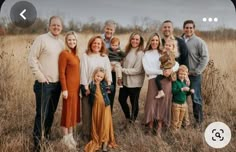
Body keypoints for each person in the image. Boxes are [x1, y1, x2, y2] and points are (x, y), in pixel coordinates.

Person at [28, 16, 64, 151]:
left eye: (58, 26)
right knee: (41, 114)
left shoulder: (61, 43)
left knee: (51, 113)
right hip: (44, 84)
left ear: (61, 27)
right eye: (53, 25)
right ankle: (37, 145)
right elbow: (32, 59)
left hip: (57, 85)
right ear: (49, 26)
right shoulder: (41, 39)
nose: (56, 27)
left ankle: (46, 138)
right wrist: (41, 77)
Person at [142, 33, 179, 136]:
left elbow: (176, 64)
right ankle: (149, 125)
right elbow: (148, 70)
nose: (154, 42)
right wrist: (161, 72)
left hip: (166, 80)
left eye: (156, 40)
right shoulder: (146, 54)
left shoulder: (163, 52)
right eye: (152, 40)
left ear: (159, 42)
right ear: (150, 41)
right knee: (151, 103)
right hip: (153, 79)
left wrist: (171, 69)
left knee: (163, 103)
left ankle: (159, 126)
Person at [80, 35, 112, 142]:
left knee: (98, 112)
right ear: (90, 44)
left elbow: (108, 72)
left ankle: (98, 133)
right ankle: (86, 134)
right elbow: (83, 72)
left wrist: (108, 84)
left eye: (98, 43)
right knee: (87, 110)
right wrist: (85, 87)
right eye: (94, 43)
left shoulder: (104, 57)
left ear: (102, 45)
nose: (96, 45)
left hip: (101, 88)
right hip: (89, 86)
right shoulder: (85, 56)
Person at [161, 20, 191, 127]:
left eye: (169, 27)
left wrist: (185, 76)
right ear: (162, 29)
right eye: (165, 27)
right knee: (167, 100)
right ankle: (167, 121)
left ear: (172, 29)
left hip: (178, 76)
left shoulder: (180, 41)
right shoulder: (160, 41)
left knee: (179, 99)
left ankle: (182, 123)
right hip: (164, 76)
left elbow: (185, 60)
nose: (167, 29)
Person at [182, 20, 209, 127]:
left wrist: (197, 71)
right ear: (183, 28)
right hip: (181, 76)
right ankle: (182, 122)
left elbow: (205, 57)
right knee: (180, 98)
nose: (188, 30)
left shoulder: (199, 42)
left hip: (194, 75)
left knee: (195, 98)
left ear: (194, 29)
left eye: (190, 28)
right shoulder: (179, 40)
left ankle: (198, 123)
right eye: (186, 27)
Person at [84, 67, 117, 152]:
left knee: (105, 123)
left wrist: (109, 88)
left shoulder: (104, 84)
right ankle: (98, 138)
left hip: (105, 106)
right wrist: (86, 89)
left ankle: (105, 143)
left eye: (101, 77)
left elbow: (112, 87)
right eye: (97, 76)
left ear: (103, 78)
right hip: (96, 107)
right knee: (98, 122)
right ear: (94, 75)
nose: (99, 78)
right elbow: (85, 91)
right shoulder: (91, 84)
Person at [58, 31, 80, 149]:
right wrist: (64, 89)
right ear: (66, 41)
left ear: (77, 41)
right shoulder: (64, 54)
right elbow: (61, 73)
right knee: (67, 113)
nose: (72, 42)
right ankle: (65, 139)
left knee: (73, 114)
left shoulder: (75, 55)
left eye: (74, 40)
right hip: (68, 89)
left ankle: (71, 136)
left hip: (76, 90)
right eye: (69, 40)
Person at [118, 32, 145, 125]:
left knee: (134, 103)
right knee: (121, 99)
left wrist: (122, 70)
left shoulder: (140, 53)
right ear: (130, 40)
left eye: (137, 39)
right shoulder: (127, 50)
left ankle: (132, 121)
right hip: (125, 81)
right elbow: (122, 62)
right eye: (133, 39)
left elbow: (138, 70)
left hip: (135, 83)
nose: (134, 41)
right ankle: (128, 118)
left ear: (140, 41)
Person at [171, 65, 194, 131]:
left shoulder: (185, 83)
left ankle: (178, 130)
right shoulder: (175, 82)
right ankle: (174, 131)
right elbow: (173, 91)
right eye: (180, 74)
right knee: (176, 119)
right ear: (178, 73)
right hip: (176, 104)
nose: (182, 75)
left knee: (180, 120)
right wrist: (181, 89)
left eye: (184, 74)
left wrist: (190, 91)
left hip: (183, 104)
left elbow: (186, 93)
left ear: (186, 75)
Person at [102, 20, 117, 112]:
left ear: (114, 31)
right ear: (104, 28)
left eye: (111, 30)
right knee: (100, 95)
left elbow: (119, 57)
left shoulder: (116, 41)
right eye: (107, 28)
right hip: (100, 72)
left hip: (112, 72)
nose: (109, 31)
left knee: (110, 95)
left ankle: (108, 119)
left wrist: (115, 66)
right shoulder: (99, 39)